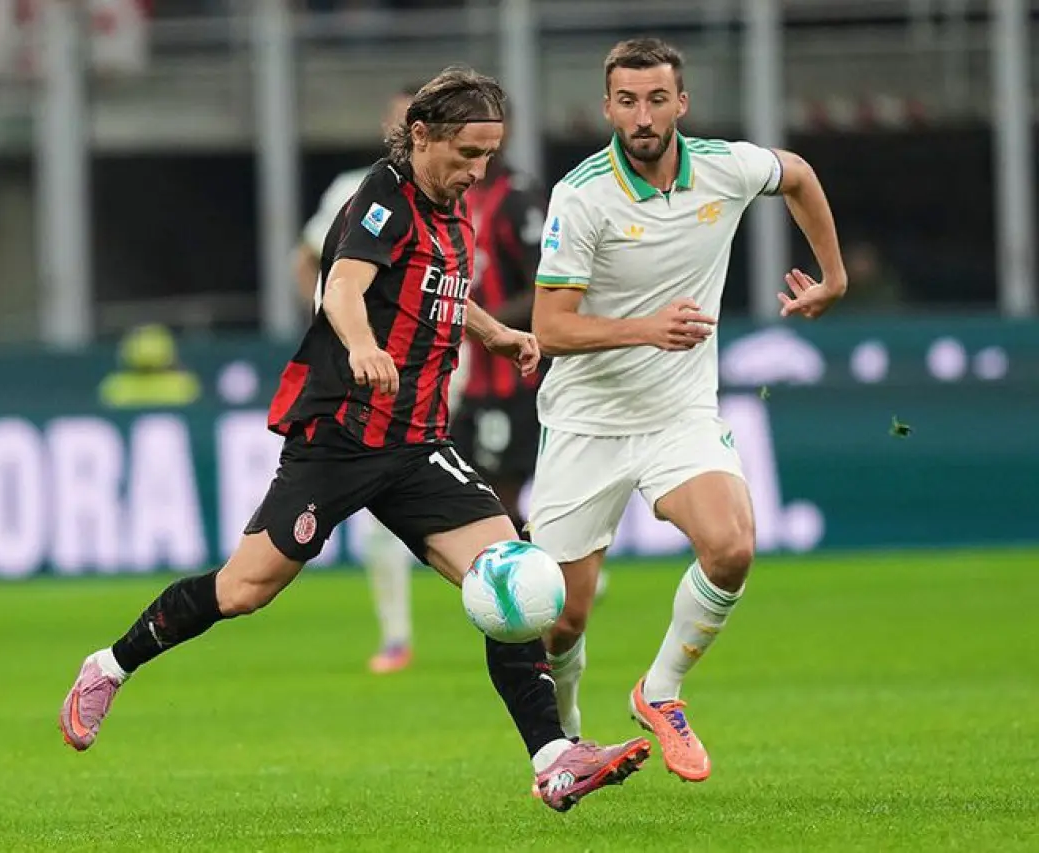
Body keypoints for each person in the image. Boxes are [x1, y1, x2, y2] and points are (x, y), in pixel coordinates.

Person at [60, 66, 651, 813]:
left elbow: (440, 291)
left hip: (417, 446)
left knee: (516, 581)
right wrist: (364, 344)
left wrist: (497, 333)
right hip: (339, 439)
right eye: (467, 152)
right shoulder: (382, 197)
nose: (477, 172)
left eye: (488, 156)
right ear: (421, 135)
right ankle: (109, 665)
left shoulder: (452, 208)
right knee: (242, 590)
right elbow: (341, 285)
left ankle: (554, 758)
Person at [529, 38, 847, 783]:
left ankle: (660, 691)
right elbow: (550, 329)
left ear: (682, 102)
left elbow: (796, 173)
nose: (644, 116)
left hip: (679, 412)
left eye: (657, 99)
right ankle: (570, 737)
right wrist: (648, 328)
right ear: (607, 108)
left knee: (732, 545)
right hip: (587, 420)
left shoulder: (724, 168)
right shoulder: (581, 196)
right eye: (629, 101)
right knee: (561, 619)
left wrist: (831, 277)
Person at [293, 83, 422, 675]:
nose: (407, 133)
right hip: (375, 381)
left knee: (503, 497)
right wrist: (335, 334)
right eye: (399, 121)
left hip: (455, 374)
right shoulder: (354, 190)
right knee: (383, 511)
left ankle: (552, 586)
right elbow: (311, 263)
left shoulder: (453, 196)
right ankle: (396, 635)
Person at [449, 123, 546, 537]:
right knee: (468, 498)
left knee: (498, 501)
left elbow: (545, 290)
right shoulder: (452, 198)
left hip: (513, 381)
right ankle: (545, 566)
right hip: (468, 381)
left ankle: (541, 576)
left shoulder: (519, 198)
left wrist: (479, 321)